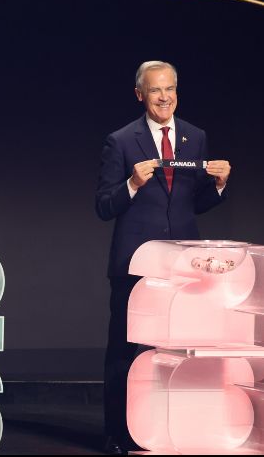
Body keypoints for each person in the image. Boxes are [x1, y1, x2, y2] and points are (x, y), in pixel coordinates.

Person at [95, 61, 230, 454]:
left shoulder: (195, 137)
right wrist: (132, 184)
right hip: (134, 265)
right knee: (123, 351)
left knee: (183, 353)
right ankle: (117, 434)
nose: (165, 96)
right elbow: (103, 206)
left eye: (170, 88)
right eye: (155, 90)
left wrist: (218, 187)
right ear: (140, 95)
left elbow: (191, 204)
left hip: (184, 267)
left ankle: (176, 429)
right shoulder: (119, 141)